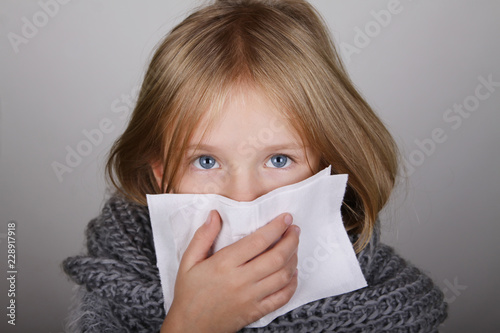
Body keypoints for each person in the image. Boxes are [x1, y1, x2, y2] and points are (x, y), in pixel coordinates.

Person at [63, 0, 448, 332]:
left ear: (324, 165)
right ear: (161, 172)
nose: (244, 198)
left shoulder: (390, 305)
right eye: (206, 160)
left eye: (279, 160)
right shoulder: (117, 281)